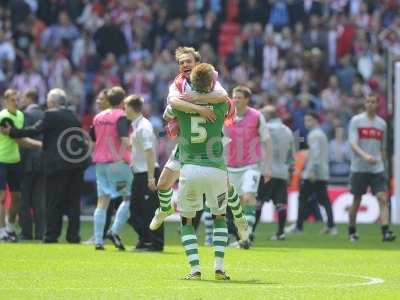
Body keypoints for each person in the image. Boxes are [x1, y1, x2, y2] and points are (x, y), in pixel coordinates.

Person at [150, 47, 249, 245]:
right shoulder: (177, 83)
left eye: (188, 61)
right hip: (187, 143)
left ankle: (239, 218)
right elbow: (171, 102)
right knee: (162, 184)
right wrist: (199, 109)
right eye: (181, 62)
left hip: (211, 141)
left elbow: (221, 97)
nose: (185, 65)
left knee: (226, 186)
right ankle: (165, 209)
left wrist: (192, 101)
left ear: (197, 64)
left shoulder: (211, 77)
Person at [4, 88, 88, 243]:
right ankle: (73, 236)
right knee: (73, 202)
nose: (46, 103)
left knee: (53, 200)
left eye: (48, 100)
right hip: (76, 164)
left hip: (57, 165)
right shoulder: (72, 115)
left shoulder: (51, 115)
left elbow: (35, 129)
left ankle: (51, 235)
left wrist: (12, 132)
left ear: (53, 102)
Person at [173, 63, 230, 280]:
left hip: (190, 167)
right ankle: (219, 267)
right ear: (212, 82)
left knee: (187, 220)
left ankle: (195, 269)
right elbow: (225, 99)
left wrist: (190, 100)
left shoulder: (181, 103)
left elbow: (170, 107)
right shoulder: (223, 103)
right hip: (216, 168)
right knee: (220, 216)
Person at [223, 85, 273, 245]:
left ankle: (246, 237)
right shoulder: (226, 116)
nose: (236, 99)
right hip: (230, 166)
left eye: (239, 97)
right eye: (234, 97)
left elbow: (266, 141)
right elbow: (220, 140)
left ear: (247, 99)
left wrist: (268, 166)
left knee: (248, 196)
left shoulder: (257, 116)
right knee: (235, 203)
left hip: (251, 165)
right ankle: (242, 235)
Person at [347, 93, 395, 242]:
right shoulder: (356, 120)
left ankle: (385, 231)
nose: (369, 104)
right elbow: (353, 143)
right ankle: (352, 230)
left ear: (377, 105)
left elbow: (383, 147)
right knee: (357, 200)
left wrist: (384, 163)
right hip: (359, 167)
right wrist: (365, 156)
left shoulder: (382, 124)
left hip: (377, 168)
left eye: (373, 102)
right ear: (364, 104)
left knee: (382, 198)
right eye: (367, 101)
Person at [91, 86, 132, 250]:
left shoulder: (98, 117)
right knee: (128, 197)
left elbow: (92, 142)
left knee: (102, 201)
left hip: (100, 165)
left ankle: (98, 241)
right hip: (117, 165)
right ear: (123, 101)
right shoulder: (122, 117)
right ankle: (114, 231)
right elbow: (124, 140)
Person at [286, 111, 337, 234]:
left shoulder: (314, 135)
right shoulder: (321, 134)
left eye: (309, 120)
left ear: (315, 120)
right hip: (323, 172)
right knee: (324, 200)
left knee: (303, 198)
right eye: (305, 120)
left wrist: (312, 170)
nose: (306, 123)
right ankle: (331, 226)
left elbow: (315, 154)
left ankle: (298, 227)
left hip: (313, 173)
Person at [0, 89, 41, 242]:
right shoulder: (4, 117)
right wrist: (41, 144)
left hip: (15, 161)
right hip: (1, 160)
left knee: (17, 198)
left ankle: (10, 229)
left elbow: (21, 136)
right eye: (12, 100)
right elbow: (19, 140)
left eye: (18, 100)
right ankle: (2, 231)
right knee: (2, 197)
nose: (16, 103)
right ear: (5, 101)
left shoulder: (21, 115)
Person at [124, 94, 164, 251]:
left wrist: (151, 177)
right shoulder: (136, 126)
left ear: (132, 108)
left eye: (125, 106)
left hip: (148, 173)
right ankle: (146, 239)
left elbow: (150, 153)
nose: (123, 110)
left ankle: (156, 242)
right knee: (135, 212)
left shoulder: (143, 127)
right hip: (139, 173)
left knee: (150, 211)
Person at [255, 105, 295, 240]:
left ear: (267, 116)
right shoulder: (288, 131)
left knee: (258, 202)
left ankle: (251, 232)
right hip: (282, 172)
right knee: (280, 204)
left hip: (265, 171)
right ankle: (280, 233)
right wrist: (290, 172)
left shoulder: (263, 129)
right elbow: (291, 155)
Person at [19, 89, 45, 240]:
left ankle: (26, 232)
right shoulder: (44, 114)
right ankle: (41, 232)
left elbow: (23, 139)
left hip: (28, 160)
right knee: (39, 198)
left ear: (28, 98)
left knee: (25, 199)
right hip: (43, 160)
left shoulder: (26, 114)